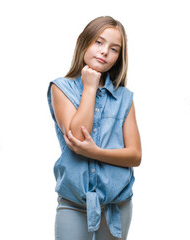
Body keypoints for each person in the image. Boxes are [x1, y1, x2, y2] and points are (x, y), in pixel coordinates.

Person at [47, 16, 141, 240]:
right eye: (99, 42)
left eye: (114, 49)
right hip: (74, 204)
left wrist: (95, 152)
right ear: (83, 42)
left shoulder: (124, 97)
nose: (105, 51)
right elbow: (78, 137)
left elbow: (135, 155)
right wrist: (89, 87)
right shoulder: (61, 88)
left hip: (117, 205)